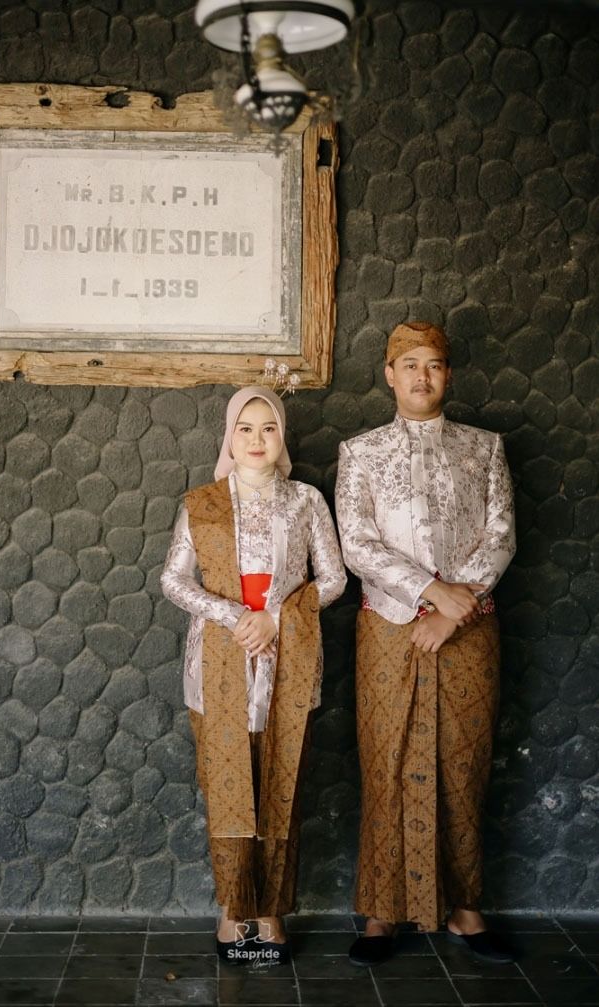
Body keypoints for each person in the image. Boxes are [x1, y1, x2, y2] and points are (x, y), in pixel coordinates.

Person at [335, 321, 516, 966]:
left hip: (469, 629)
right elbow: (356, 543)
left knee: (464, 764)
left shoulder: (484, 448)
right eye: (408, 364)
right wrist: (429, 593)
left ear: (448, 374)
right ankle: (381, 913)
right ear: (389, 374)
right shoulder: (361, 452)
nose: (421, 375)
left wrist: (453, 612)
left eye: (433, 364)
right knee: (386, 761)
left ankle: (465, 909)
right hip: (390, 628)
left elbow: (501, 536)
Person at [161, 386, 346, 964]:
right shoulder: (202, 503)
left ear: (282, 435)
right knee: (226, 785)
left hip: (287, 661)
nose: (257, 439)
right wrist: (234, 616)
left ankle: (271, 910)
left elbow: (334, 578)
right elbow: (173, 580)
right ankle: (233, 908)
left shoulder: (306, 501)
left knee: (280, 783)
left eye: (269, 428)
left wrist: (275, 618)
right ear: (229, 436)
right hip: (217, 662)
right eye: (245, 428)